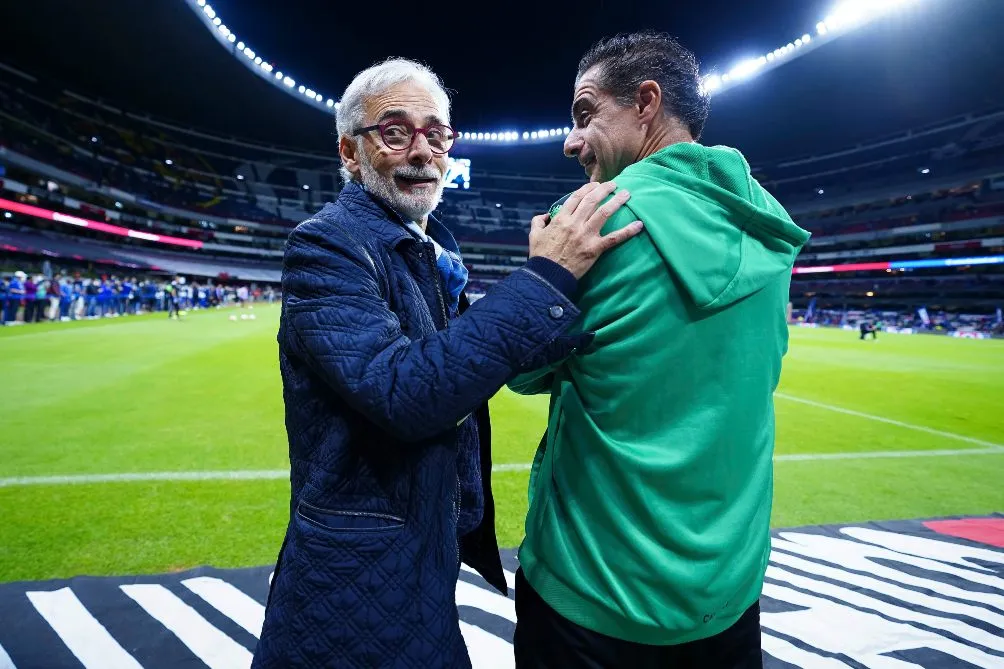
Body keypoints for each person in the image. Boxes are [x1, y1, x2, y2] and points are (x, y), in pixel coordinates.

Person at [252, 58, 641, 669]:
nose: (422, 150)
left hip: (422, 554)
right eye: (395, 131)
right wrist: (545, 276)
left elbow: (471, 354)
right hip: (354, 575)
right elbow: (408, 393)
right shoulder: (325, 245)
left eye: (436, 133)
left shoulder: (430, 248)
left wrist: (635, 312)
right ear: (351, 152)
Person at [508, 32, 810, 669]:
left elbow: (523, 367)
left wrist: (539, 282)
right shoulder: (769, 223)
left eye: (585, 114)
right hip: (726, 591)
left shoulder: (594, 218)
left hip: (595, 590)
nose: (571, 140)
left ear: (646, 102)